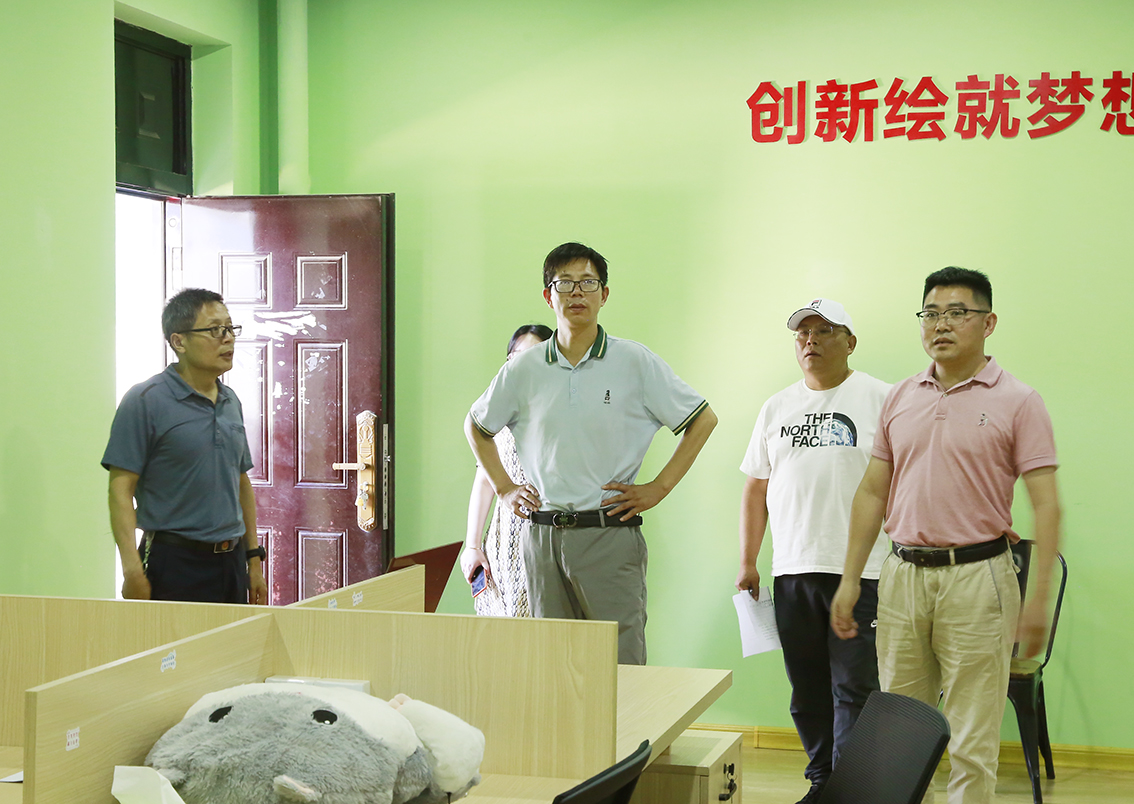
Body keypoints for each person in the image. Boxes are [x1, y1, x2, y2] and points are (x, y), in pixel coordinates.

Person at [831, 267, 1061, 804]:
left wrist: (1038, 600)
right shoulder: (901, 396)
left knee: (971, 741)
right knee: (899, 735)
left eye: (958, 313)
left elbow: (1046, 504)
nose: (942, 324)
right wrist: (850, 578)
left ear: (988, 322)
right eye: (931, 313)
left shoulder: (1019, 400)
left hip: (979, 580)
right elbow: (872, 492)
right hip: (902, 576)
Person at [464, 242, 717, 664]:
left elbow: (702, 420)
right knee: (554, 663)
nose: (577, 292)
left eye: (588, 282)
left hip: (607, 533)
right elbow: (476, 426)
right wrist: (505, 488)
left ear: (604, 294)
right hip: (541, 536)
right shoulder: (523, 369)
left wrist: (659, 488)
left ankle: (627, 715)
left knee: (620, 663)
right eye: (565, 283)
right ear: (549, 296)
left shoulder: (634, 361)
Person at [736, 298, 891, 804]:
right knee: (807, 688)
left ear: (850, 341)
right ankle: (823, 781)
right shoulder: (776, 407)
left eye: (824, 331)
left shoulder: (881, 399)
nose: (811, 341)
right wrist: (748, 560)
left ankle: (851, 788)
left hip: (862, 572)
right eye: (803, 333)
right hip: (793, 569)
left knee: (855, 687)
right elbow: (755, 489)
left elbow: (906, 479)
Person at [103, 288, 268, 604]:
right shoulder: (145, 400)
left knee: (233, 638)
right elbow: (120, 491)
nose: (228, 338)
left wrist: (253, 559)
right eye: (215, 330)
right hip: (173, 561)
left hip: (231, 562)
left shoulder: (230, 401)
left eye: (230, 328)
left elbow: (240, 482)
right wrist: (132, 570)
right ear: (179, 341)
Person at [461, 323, 554, 616]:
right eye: (515, 356)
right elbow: (484, 479)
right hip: (504, 539)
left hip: (549, 537)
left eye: (533, 355)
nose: (521, 364)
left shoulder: (563, 410)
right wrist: (473, 545)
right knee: (502, 626)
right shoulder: (497, 411)